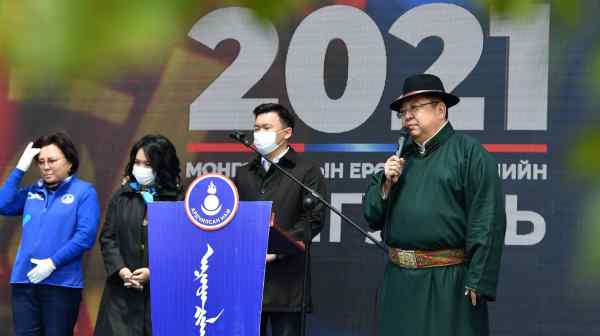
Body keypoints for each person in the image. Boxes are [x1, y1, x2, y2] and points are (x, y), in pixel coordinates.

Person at [362, 74, 506, 336]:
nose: (407, 116)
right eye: (403, 112)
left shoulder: (469, 153)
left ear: (440, 109)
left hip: (447, 281)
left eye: (415, 108)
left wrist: (478, 280)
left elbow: (487, 219)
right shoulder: (399, 158)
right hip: (398, 280)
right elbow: (371, 215)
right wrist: (386, 182)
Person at [234, 103, 327, 336]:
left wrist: (278, 249)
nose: (258, 134)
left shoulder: (306, 171)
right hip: (248, 279)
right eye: (256, 128)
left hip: (287, 282)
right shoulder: (244, 173)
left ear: (287, 133)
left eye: (266, 127)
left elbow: (314, 219)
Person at [0, 133, 100, 336]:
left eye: (52, 160)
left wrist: (52, 263)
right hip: (24, 281)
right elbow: (3, 204)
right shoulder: (32, 192)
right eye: (41, 162)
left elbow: (85, 236)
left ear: (70, 162)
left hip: (61, 283)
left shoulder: (84, 192)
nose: (46, 166)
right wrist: (19, 169)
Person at [94, 135, 182, 336]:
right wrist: (121, 269)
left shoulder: (178, 201)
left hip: (161, 298)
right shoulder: (122, 195)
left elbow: (183, 248)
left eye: (148, 164)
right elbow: (108, 238)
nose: (140, 168)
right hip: (121, 297)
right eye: (137, 162)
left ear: (162, 166)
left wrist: (154, 272)